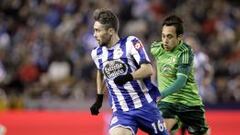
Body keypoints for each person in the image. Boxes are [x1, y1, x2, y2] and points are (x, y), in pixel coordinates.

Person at [90, 8, 168, 135]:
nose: (94, 34)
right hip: (122, 112)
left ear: (110, 31)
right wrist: (99, 98)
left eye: (97, 30)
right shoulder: (96, 53)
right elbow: (101, 72)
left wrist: (128, 77)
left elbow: (148, 69)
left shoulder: (130, 43)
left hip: (146, 106)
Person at [150, 15, 209, 135]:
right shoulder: (156, 48)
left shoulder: (187, 53)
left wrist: (160, 94)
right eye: (163, 36)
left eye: (170, 37)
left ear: (180, 38)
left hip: (188, 101)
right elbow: (150, 65)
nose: (165, 40)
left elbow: (181, 82)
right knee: (162, 131)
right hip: (168, 102)